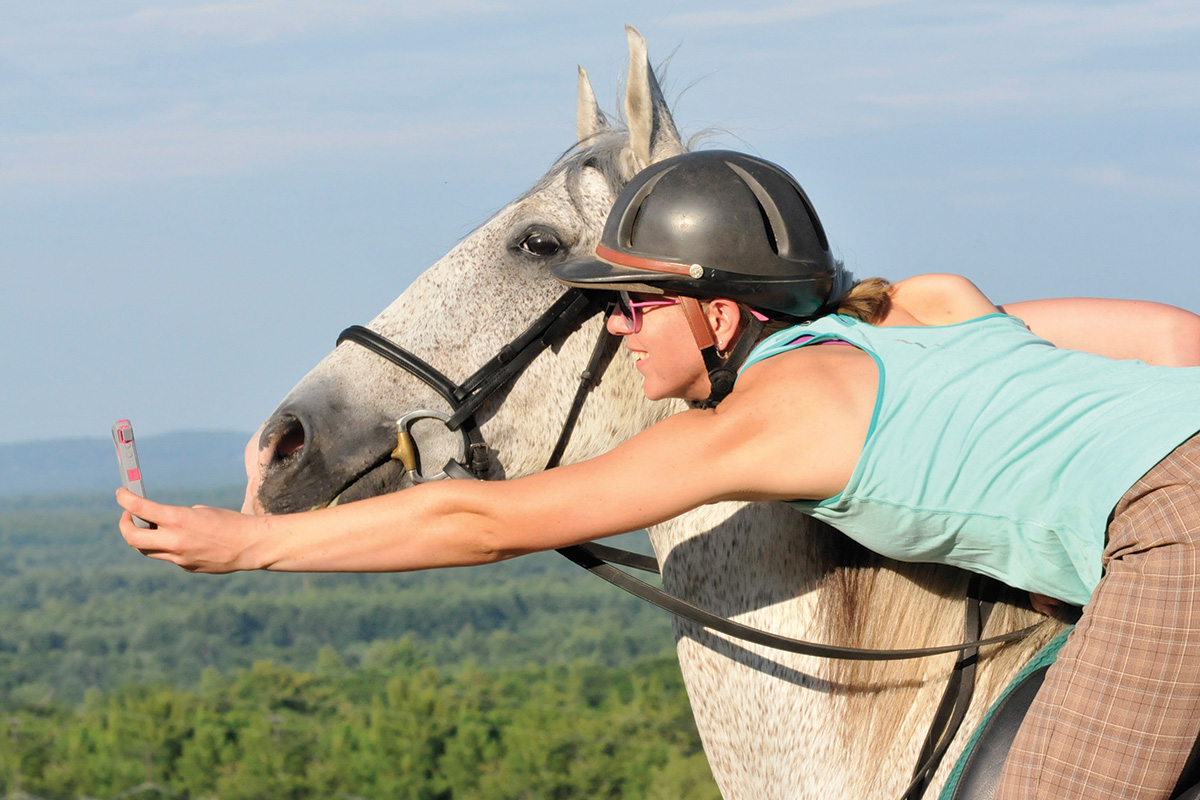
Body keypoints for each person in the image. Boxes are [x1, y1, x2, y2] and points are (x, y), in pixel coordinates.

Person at [119, 150, 1200, 799]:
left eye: (634, 306)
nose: (620, 333)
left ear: (721, 315)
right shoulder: (931, 305)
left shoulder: (764, 422)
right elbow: (1164, 335)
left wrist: (251, 541)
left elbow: (485, 521)